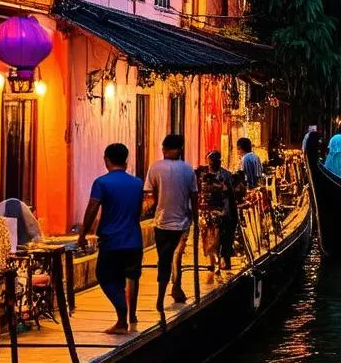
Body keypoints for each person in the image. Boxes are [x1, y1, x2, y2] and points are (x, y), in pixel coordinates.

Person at [77, 143, 143, 334]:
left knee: (105, 277)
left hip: (112, 241)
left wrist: (83, 233)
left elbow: (92, 209)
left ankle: (122, 313)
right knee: (131, 276)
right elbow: (138, 210)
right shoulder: (137, 183)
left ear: (106, 159)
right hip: (134, 240)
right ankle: (129, 317)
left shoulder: (102, 183)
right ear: (126, 160)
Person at [144, 134, 197, 312]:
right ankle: (173, 289)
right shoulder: (188, 170)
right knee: (176, 257)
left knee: (164, 259)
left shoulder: (155, 167)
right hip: (182, 223)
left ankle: (165, 294)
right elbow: (194, 197)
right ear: (181, 149)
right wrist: (196, 220)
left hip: (161, 222)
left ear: (163, 149)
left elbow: (150, 195)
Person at [199, 150, 237, 272]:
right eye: (210, 161)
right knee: (208, 237)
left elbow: (229, 194)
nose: (211, 163)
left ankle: (222, 260)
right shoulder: (203, 173)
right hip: (208, 210)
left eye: (214, 161)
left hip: (222, 211)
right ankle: (212, 261)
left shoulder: (225, 175)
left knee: (222, 238)